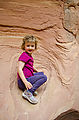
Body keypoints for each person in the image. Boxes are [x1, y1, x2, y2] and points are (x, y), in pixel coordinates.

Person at [17, 35, 47, 104]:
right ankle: (29, 92)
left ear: (35, 47)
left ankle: (29, 88)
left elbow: (29, 66)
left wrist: (36, 71)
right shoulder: (24, 55)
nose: (30, 48)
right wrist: (25, 82)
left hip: (28, 77)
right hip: (23, 81)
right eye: (28, 46)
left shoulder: (29, 55)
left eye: (32, 46)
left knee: (41, 74)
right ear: (24, 46)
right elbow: (19, 69)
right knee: (44, 77)